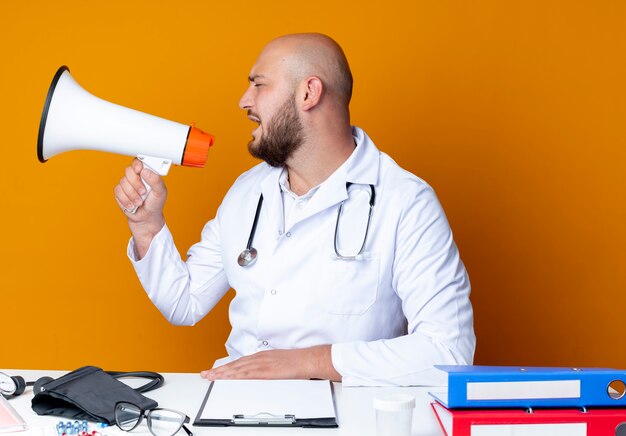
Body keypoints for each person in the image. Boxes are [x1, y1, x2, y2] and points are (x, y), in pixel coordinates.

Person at [114, 33, 475, 387]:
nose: (244, 101)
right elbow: (184, 303)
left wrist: (307, 362)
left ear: (308, 92)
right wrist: (146, 225)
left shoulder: (405, 202)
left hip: (347, 413)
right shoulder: (246, 191)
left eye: (258, 85)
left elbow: (448, 352)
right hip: (235, 404)